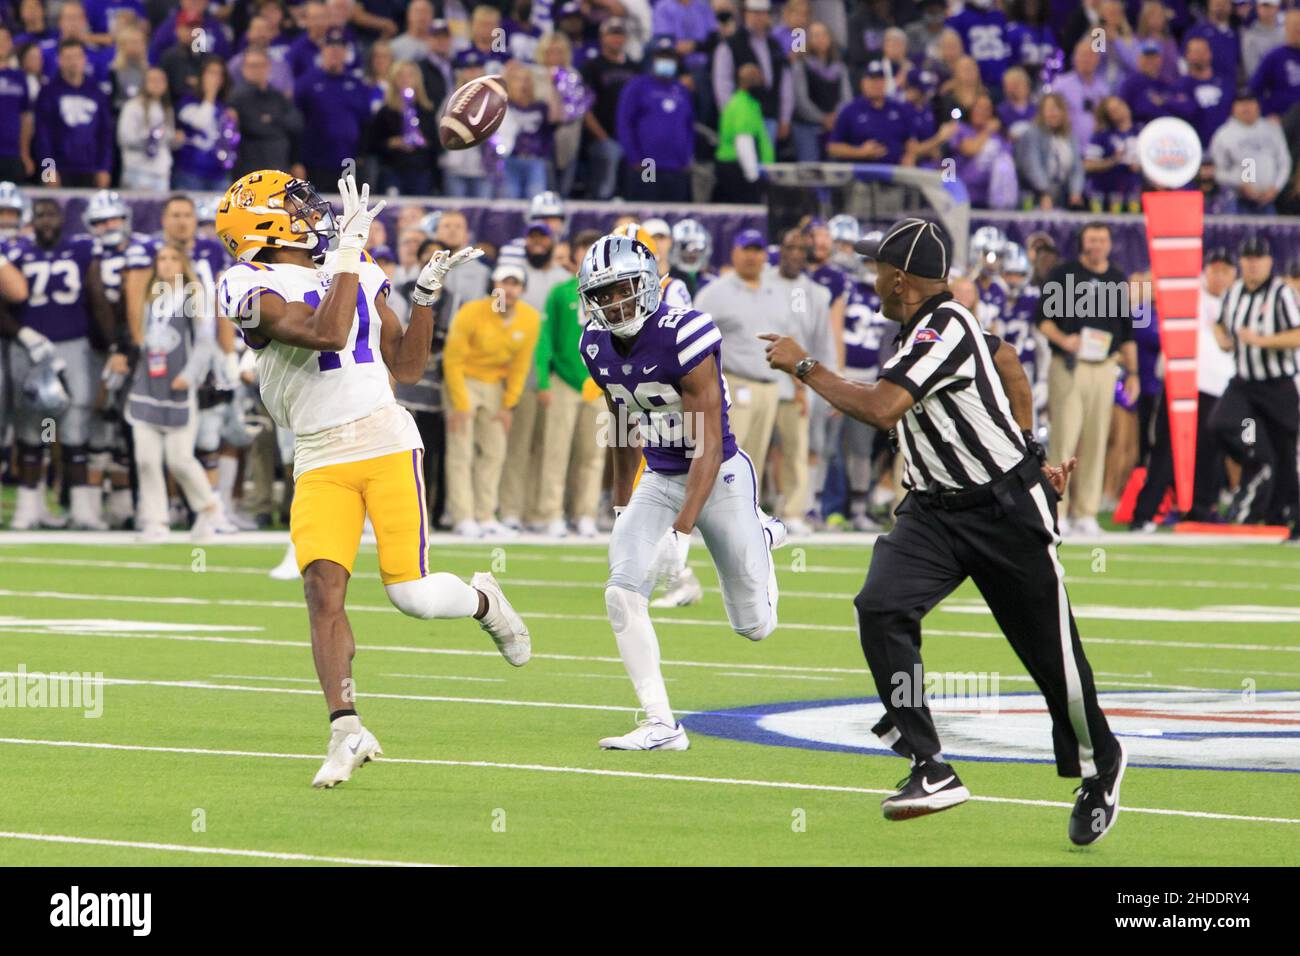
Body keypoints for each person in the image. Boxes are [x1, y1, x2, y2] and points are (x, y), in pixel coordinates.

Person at [760, 217, 1126, 844]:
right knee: (880, 607)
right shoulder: (927, 328)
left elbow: (881, 408)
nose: (872, 276)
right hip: (932, 511)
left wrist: (806, 366)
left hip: (1002, 511)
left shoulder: (946, 323)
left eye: (878, 267)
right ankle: (930, 764)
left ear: (900, 279)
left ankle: (1102, 764)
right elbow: (1008, 363)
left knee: (1052, 658)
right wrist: (1029, 442)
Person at [215, 171, 531, 788]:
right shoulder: (247, 282)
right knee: (321, 593)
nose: (312, 213)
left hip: (384, 438)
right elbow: (324, 333)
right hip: (319, 452)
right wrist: (345, 260)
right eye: (293, 206)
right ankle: (345, 726)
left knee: (409, 595)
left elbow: (408, 365)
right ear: (262, 225)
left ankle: (485, 601)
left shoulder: (353, 261)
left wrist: (424, 299)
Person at [579, 231, 786, 750]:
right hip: (660, 475)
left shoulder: (683, 333)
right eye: (602, 293)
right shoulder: (594, 343)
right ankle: (660, 724)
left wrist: (682, 528)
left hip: (719, 476)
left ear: (647, 286)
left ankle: (760, 531)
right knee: (621, 591)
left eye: (623, 288)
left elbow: (709, 445)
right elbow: (621, 420)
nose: (614, 302)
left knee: (754, 627)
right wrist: (624, 502)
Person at [5, 198, 113, 529]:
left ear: (63, 218)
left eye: (51, 214)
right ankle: (29, 507)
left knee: (75, 420)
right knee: (29, 424)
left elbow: (96, 298)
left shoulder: (81, 251)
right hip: (28, 347)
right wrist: (23, 334)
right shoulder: (16, 254)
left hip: (74, 345)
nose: (46, 221)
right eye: (40, 215)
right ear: (31, 220)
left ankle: (82, 509)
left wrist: (114, 345)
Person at [1035, 222, 1138, 537]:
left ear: (1110, 244)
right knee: (1064, 437)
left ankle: (1087, 512)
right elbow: (1043, 320)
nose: (1097, 245)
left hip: (1105, 365)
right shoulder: (1063, 274)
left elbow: (1127, 332)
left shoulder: (1117, 279)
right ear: (1082, 243)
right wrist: (1065, 341)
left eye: (1103, 239)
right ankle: (1058, 508)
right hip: (1070, 364)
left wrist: (1133, 373)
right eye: (1092, 240)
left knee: (1097, 438)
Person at [118, 245, 225, 541]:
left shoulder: (195, 296)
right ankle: (155, 521)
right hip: (147, 385)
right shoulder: (150, 299)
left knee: (179, 458)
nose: (165, 265)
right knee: (146, 458)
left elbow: (205, 343)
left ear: (183, 264)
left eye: (172, 259)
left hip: (178, 386)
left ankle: (208, 507)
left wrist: (190, 375)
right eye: (161, 259)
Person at [1210, 236, 1300, 540]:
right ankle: (1260, 458)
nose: (1252, 264)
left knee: (1288, 456)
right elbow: (1220, 323)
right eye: (1247, 259)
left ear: (1269, 262)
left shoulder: (1281, 293)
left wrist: (1263, 341)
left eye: (1257, 259)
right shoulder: (1233, 292)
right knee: (1220, 423)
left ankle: (1290, 520)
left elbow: (1298, 334)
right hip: (1245, 381)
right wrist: (1222, 338)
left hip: (1277, 384)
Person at [442, 262, 541, 537]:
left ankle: (486, 514)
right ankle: (463, 516)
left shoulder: (530, 318)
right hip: (463, 380)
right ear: (493, 285)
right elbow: (453, 360)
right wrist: (460, 404)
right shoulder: (471, 312)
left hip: (495, 385)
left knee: (494, 451)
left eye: (514, 284)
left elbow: (521, 365)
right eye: (503, 283)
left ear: (521, 289)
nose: (508, 290)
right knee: (461, 450)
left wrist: (509, 404)